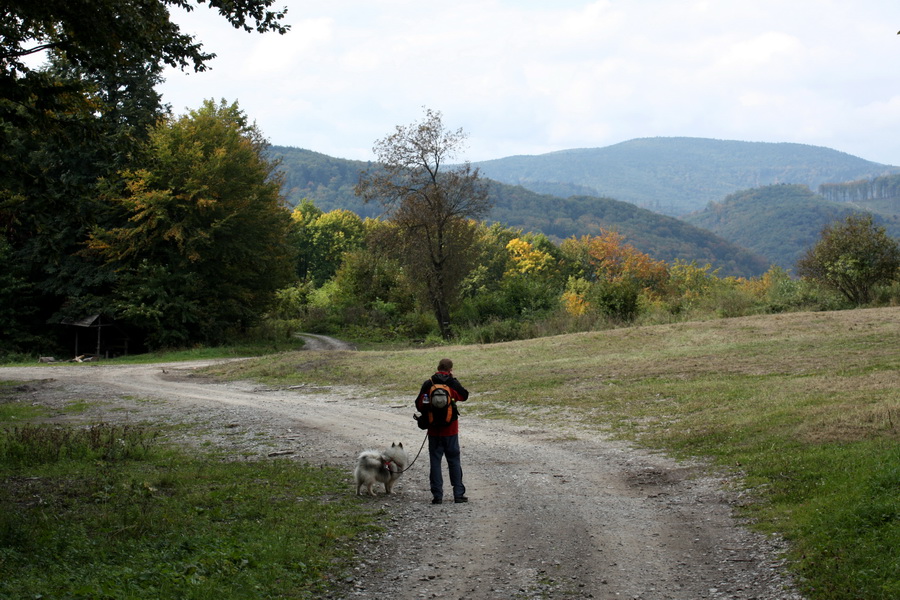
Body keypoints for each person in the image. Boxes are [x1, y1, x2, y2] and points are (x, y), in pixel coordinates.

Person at [415, 358, 469, 504]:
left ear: (438, 367)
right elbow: (464, 395)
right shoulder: (452, 383)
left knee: (435, 461)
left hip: (433, 430)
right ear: (450, 370)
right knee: (454, 461)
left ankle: (437, 496)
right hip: (451, 429)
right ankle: (458, 494)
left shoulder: (429, 383)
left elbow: (418, 405)